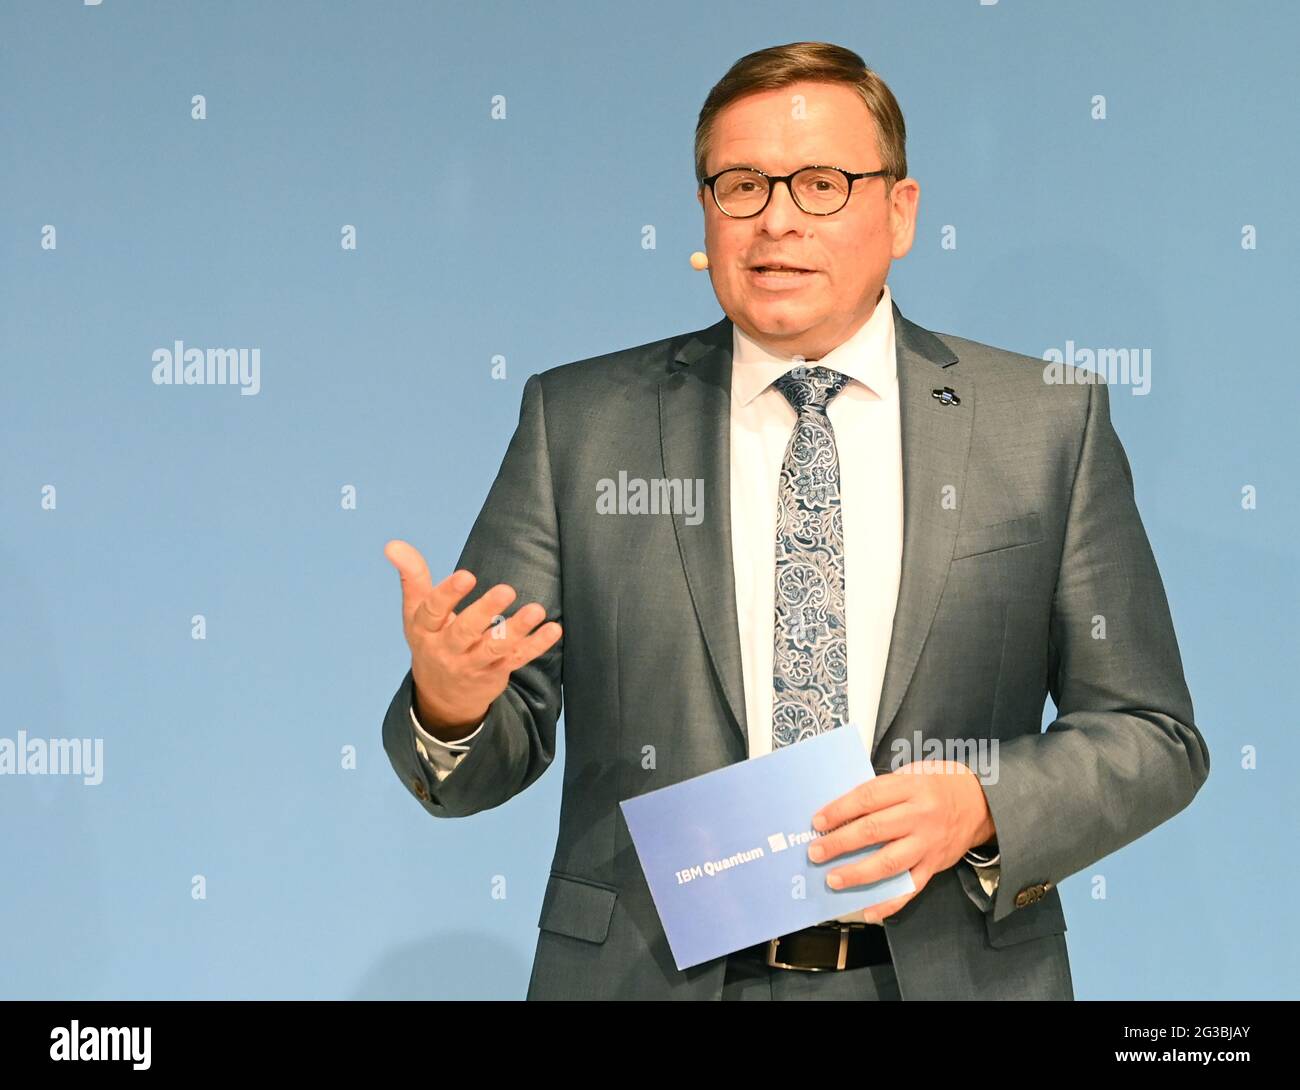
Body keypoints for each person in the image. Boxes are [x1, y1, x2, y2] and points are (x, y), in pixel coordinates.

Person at [380, 41, 1209, 1000]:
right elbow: (478, 760)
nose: (776, 219)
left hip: (941, 977)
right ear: (705, 210)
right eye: (740, 184)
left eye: (821, 183)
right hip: (650, 978)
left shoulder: (1044, 423)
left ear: (900, 212)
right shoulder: (580, 423)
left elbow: (1152, 733)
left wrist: (979, 804)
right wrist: (451, 704)